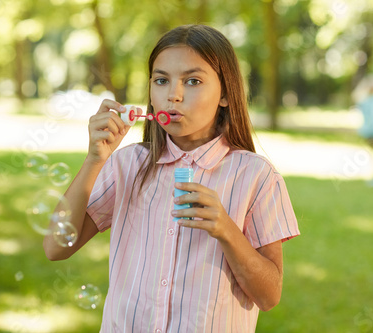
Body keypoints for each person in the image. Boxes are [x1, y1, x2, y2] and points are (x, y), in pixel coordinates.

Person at [43, 24, 300, 332]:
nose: (173, 95)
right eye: (161, 80)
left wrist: (227, 231)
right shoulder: (127, 165)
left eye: (192, 81)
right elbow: (56, 248)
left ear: (226, 95)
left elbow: (269, 296)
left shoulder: (257, 176)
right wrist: (95, 160)